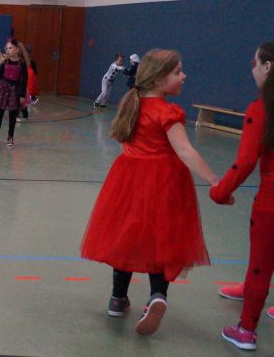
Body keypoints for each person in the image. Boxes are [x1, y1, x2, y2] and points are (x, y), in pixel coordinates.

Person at [80, 49, 217, 336]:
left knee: (127, 236)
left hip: (128, 179)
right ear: (157, 79)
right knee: (160, 237)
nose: (184, 76)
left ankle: (117, 298)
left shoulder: (131, 105)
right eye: (177, 72)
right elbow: (185, 151)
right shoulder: (168, 112)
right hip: (164, 182)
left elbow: (122, 140)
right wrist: (215, 181)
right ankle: (157, 296)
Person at [209, 41, 274, 357]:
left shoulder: (261, 108)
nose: (252, 69)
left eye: (255, 63)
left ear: (268, 67)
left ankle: (246, 330)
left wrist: (219, 191)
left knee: (260, 266)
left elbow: (244, 163)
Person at [0, 39, 28, 146]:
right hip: (3, 88)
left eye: (10, 48)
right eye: (7, 48)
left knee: (12, 114)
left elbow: (24, 80)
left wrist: (22, 95)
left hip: (14, 90)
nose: (8, 50)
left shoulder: (22, 64)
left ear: (17, 49)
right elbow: (0, 76)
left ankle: (10, 136)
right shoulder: (4, 62)